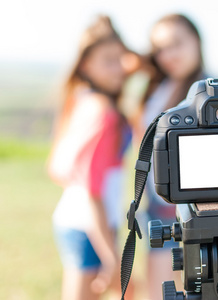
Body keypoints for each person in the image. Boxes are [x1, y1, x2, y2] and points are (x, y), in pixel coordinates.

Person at [48, 15, 136, 300]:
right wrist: (111, 258)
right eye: (109, 60)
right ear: (87, 65)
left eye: (121, 59)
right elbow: (91, 192)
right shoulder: (103, 113)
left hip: (88, 222)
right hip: (88, 225)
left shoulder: (85, 98)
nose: (120, 68)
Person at [137, 14, 207, 300]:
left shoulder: (208, 92)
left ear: (197, 42)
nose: (169, 55)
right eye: (159, 49)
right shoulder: (162, 85)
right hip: (157, 208)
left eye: (177, 44)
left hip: (189, 214)